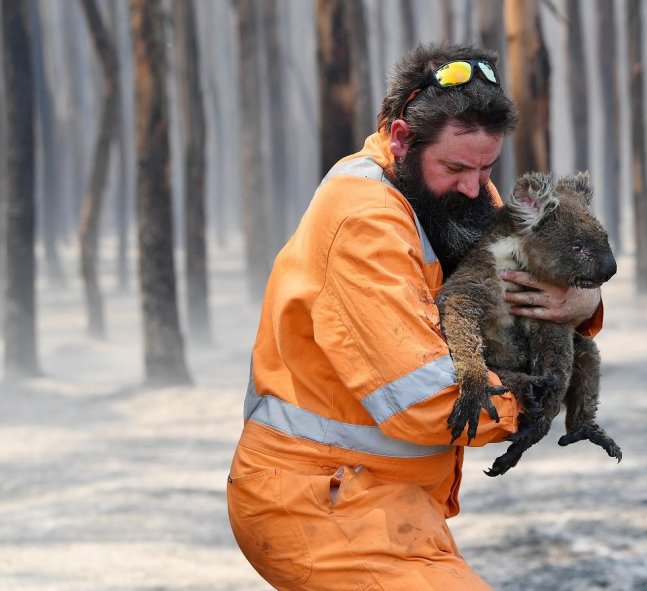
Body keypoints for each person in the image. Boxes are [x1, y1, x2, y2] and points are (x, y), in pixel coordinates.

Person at [227, 42, 604, 590]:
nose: (478, 187)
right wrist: (538, 399)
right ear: (403, 139)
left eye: (488, 167)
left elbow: (528, 277)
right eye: (457, 167)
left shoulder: (449, 192)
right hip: (321, 503)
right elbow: (424, 398)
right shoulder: (365, 222)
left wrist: (584, 305)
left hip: (386, 500)